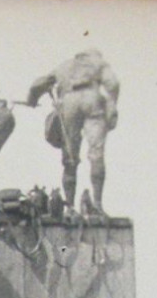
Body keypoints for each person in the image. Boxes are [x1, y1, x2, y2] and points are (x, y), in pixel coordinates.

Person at [26, 49, 120, 215]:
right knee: (96, 154)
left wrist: (32, 99)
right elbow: (112, 84)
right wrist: (112, 105)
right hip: (93, 99)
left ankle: (69, 206)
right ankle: (97, 204)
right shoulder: (98, 63)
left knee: (69, 156)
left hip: (69, 101)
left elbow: (38, 84)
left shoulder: (65, 65)